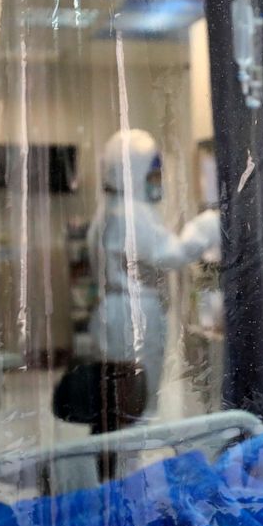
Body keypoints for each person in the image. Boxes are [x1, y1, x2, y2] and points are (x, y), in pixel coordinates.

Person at [87, 129, 220, 419]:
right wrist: (207, 226)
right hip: (132, 316)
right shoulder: (129, 212)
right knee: (136, 402)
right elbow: (168, 255)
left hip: (120, 312)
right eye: (152, 174)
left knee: (123, 402)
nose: (157, 182)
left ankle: (122, 456)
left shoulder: (113, 210)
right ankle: (130, 460)